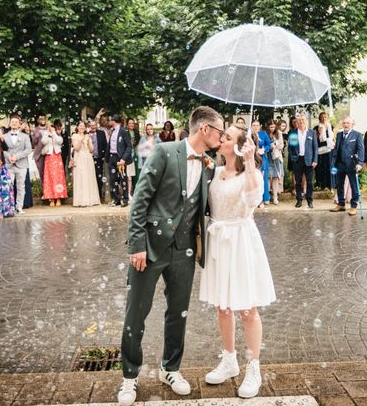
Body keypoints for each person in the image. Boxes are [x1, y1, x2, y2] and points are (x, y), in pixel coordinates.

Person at [118, 106, 224, 406]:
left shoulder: (209, 165)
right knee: (135, 313)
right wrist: (136, 245)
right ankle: (129, 377)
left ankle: (170, 368)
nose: (220, 136)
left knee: (178, 313)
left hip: (185, 249)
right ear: (204, 129)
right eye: (219, 131)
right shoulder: (164, 152)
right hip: (150, 247)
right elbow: (140, 199)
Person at [199, 125, 276, 399]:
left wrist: (250, 160)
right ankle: (229, 359)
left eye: (227, 137)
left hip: (241, 241)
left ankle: (253, 367)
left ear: (239, 145)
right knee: (223, 307)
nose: (221, 139)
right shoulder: (216, 172)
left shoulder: (249, 176)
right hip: (219, 241)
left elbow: (255, 198)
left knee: (247, 309)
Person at [331, 117, 364, 216]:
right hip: (339, 164)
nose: (346, 125)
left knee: (354, 186)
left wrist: (360, 163)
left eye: (348, 123)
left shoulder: (357, 135)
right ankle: (341, 204)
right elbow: (337, 149)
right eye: (344, 123)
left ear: (352, 124)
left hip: (352, 164)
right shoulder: (339, 134)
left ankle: (353, 206)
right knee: (339, 185)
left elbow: (361, 150)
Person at [288, 114, 319, 209]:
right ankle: (299, 200)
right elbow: (290, 147)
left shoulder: (311, 132)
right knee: (297, 182)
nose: (301, 122)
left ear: (305, 121)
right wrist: (293, 158)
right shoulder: (293, 133)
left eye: (303, 120)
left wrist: (315, 160)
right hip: (297, 160)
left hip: (309, 160)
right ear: (296, 122)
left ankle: (309, 200)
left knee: (309, 182)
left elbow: (315, 148)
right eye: (299, 120)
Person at [3, 115, 32, 214]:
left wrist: (17, 156)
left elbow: (28, 149)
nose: (14, 123)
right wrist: (9, 157)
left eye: (16, 122)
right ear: (10, 123)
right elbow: (2, 150)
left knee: (21, 186)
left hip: (22, 165)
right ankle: (9, 207)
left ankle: (19, 206)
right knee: (8, 186)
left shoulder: (25, 136)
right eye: (12, 121)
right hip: (9, 165)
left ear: (20, 124)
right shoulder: (5, 136)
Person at [71, 120, 100, 207]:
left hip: (88, 158)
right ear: (77, 127)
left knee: (89, 177)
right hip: (79, 158)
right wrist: (82, 139)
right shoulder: (74, 136)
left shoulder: (88, 136)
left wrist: (88, 141)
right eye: (80, 126)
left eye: (83, 126)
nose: (82, 127)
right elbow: (76, 148)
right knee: (81, 177)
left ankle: (91, 199)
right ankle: (81, 200)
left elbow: (91, 149)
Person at [106, 114, 133, 207]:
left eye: (110, 120)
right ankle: (116, 199)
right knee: (113, 179)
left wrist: (123, 159)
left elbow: (129, 147)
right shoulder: (112, 131)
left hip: (120, 158)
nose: (109, 122)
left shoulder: (124, 131)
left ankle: (125, 199)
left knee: (123, 178)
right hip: (111, 157)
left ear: (114, 121)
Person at [42, 121, 68, 206]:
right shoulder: (45, 134)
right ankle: (51, 198)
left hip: (57, 157)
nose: (50, 128)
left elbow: (60, 142)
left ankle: (58, 198)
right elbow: (43, 142)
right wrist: (47, 133)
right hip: (49, 157)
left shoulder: (57, 134)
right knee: (49, 177)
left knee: (58, 177)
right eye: (48, 126)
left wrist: (53, 133)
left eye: (51, 126)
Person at [251, 120, 271, 206]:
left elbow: (269, 145)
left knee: (263, 179)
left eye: (257, 125)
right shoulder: (249, 135)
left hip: (262, 159)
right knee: (254, 180)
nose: (255, 127)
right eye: (254, 125)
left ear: (260, 126)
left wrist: (264, 149)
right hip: (252, 159)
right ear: (251, 126)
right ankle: (256, 200)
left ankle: (265, 198)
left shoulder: (264, 134)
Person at [314, 112, 335, 190]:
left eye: (325, 117)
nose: (323, 119)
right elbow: (315, 139)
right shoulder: (316, 127)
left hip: (329, 148)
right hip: (320, 149)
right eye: (322, 117)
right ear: (319, 118)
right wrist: (319, 132)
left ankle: (329, 185)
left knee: (328, 166)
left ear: (327, 118)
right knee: (320, 167)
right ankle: (321, 184)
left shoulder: (330, 126)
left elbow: (333, 138)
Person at [89, 120, 108, 203]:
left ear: (96, 125)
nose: (93, 127)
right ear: (89, 126)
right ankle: (91, 194)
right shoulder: (87, 134)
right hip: (89, 159)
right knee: (90, 176)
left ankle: (99, 195)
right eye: (91, 125)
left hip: (99, 159)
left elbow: (105, 145)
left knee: (99, 176)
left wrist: (104, 156)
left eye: (94, 125)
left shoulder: (101, 133)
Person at [266, 119, 284, 205]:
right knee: (269, 177)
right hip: (268, 156)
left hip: (276, 157)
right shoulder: (266, 133)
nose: (272, 128)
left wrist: (276, 144)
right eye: (270, 127)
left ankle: (275, 197)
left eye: (273, 126)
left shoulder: (279, 133)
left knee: (276, 177)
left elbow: (281, 146)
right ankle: (267, 196)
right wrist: (269, 146)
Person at [19, 122, 34, 209]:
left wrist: (27, 132)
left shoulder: (25, 135)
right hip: (13, 159)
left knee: (25, 181)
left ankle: (27, 202)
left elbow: (30, 146)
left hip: (23, 159)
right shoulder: (9, 133)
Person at [31, 114, 48, 184]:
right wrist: (36, 137)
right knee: (41, 172)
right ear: (38, 120)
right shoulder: (35, 130)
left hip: (49, 153)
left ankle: (49, 191)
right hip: (39, 154)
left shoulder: (49, 128)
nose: (42, 120)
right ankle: (44, 190)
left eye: (44, 118)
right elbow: (33, 144)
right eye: (41, 119)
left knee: (49, 173)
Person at [126, 118, 140, 197]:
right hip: (128, 155)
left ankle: (135, 190)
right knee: (129, 175)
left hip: (135, 154)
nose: (131, 124)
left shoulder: (136, 133)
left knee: (136, 174)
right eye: (130, 123)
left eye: (132, 123)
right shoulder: (125, 132)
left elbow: (138, 143)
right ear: (127, 124)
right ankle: (128, 192)